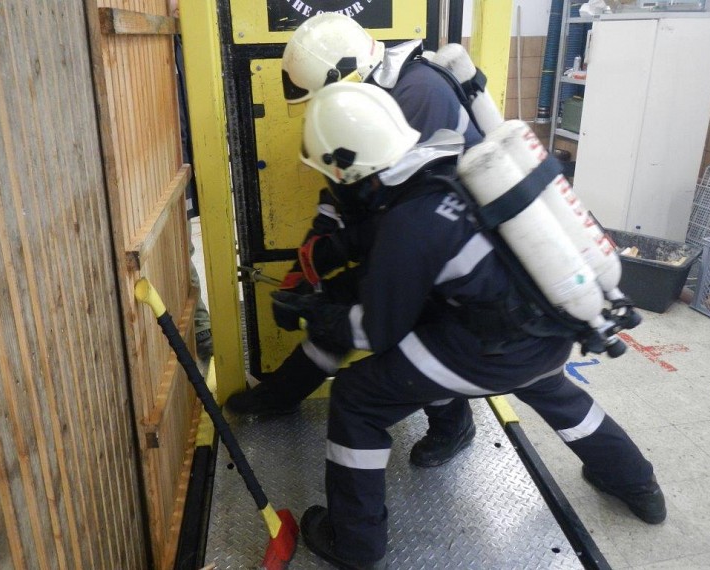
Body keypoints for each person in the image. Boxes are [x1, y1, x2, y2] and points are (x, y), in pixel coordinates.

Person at [273, 81, 666, 569]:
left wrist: (312, 313)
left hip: (490, 351)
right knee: (554, 393)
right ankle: (638, 484)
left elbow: (375, 332)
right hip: (548, 329)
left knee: (357, 397)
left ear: (350, 170)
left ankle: (355, 544)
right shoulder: (446, 164)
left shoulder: (409, 222)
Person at [226, 13, 483, 468]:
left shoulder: (418, 95)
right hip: (417, 238)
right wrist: (306, 267)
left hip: (455, 251)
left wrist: (332, 266)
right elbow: (347, 193)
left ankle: (453, 424)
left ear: (342, 76)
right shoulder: (376, 96)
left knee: (401, 326)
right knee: (341, 297)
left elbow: (399, 206)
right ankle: (284, 394)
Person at [170, 0, 213, 361]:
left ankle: (200, 328)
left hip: (181, 163)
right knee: (180, 249)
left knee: (182, 247)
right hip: (167, 165)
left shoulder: (181, 45)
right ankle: (200, 328)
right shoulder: (165, 48)